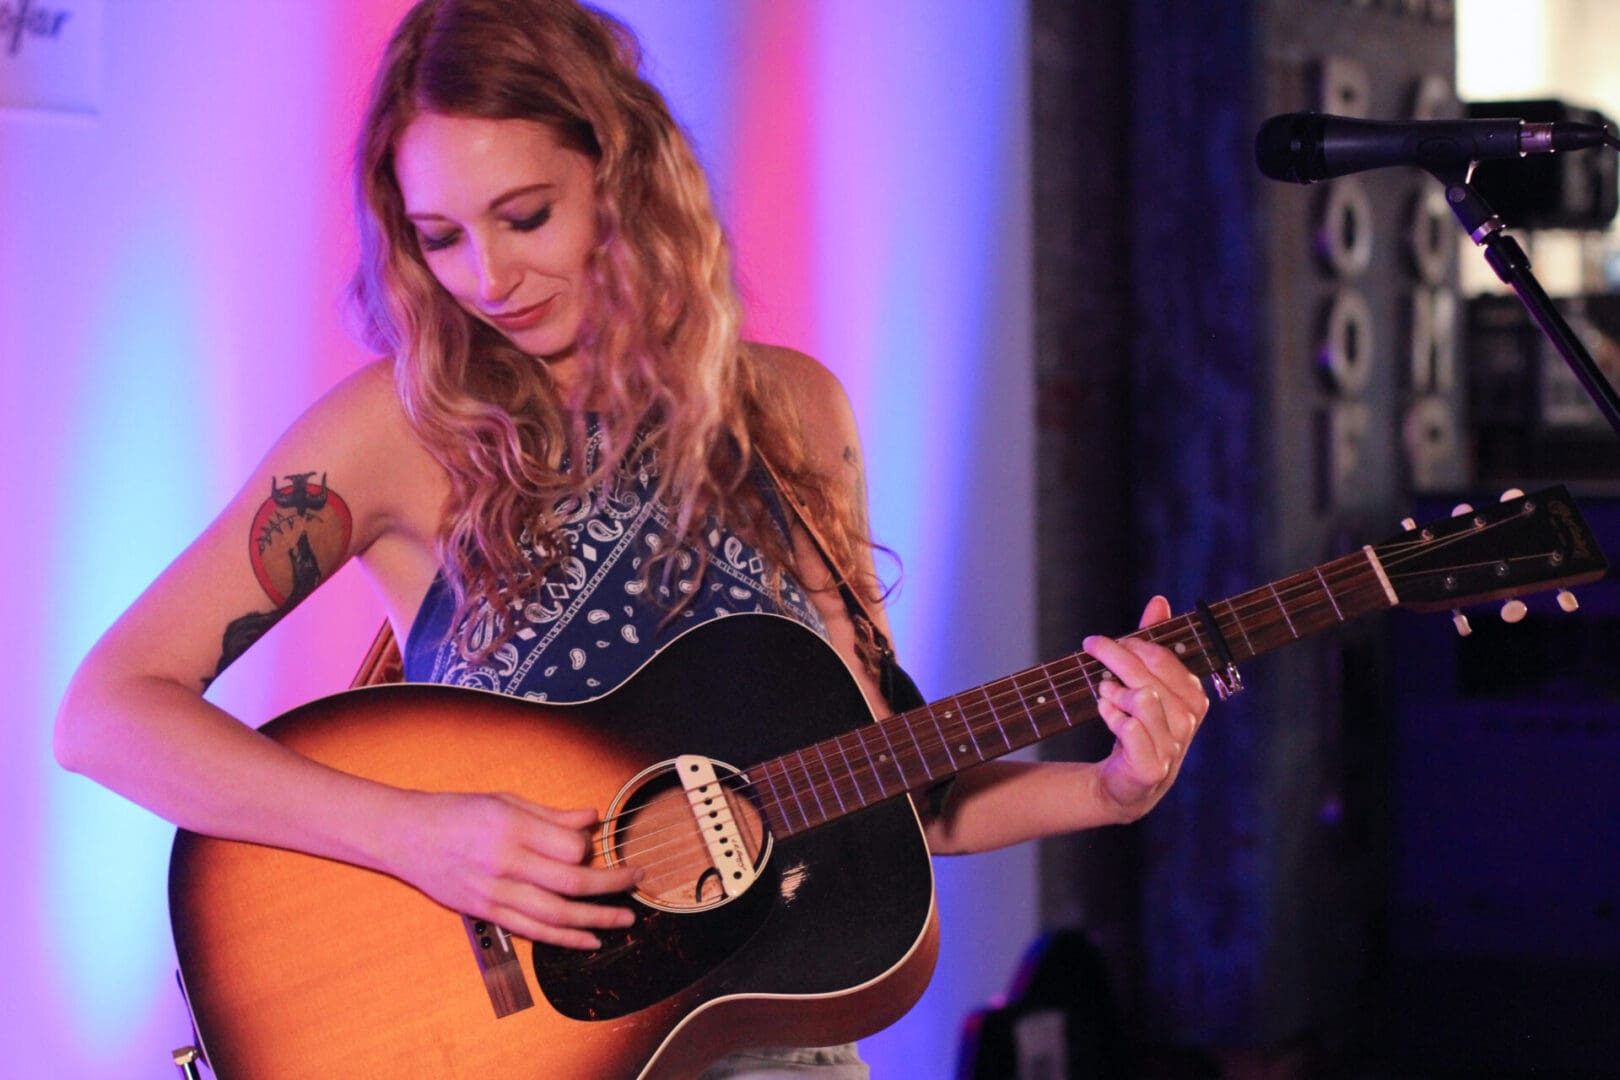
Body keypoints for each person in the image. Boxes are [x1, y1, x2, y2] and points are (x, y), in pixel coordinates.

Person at [53, 1, 1209, 1076]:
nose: (488, 277)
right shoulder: (399, 431)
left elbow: (889, 785)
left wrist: (1108, 791)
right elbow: (106, 713)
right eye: (440, 236)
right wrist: (419, 836)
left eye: (526, 216)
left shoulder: (790, 416)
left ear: (624, 176)